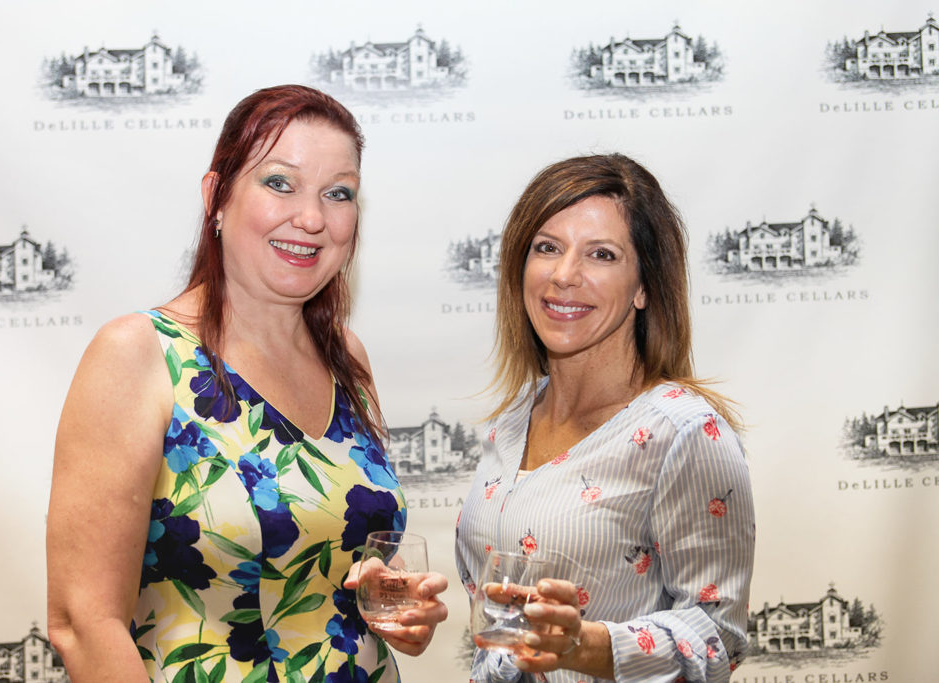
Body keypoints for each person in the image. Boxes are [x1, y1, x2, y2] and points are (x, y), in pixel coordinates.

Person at [47, 84, 448, 683]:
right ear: (216, 196)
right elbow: (84, 624)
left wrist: (391, 605)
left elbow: (326, 557)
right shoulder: (141, 353)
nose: (311, 218)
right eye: (280, 183)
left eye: (338, 193)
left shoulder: (347, 358)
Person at [455, 154, 755, 682]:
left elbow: (719, 637)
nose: (563, 275)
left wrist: (584, 644)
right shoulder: (514, 418)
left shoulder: (683, 432)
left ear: (644, 286)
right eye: (547, 247)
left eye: (601, 254)